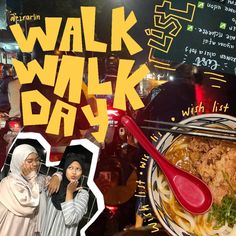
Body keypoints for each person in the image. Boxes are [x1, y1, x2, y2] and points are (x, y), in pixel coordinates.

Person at [0, 144, 46, 235]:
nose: (35, 164)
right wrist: (32, 178)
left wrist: (58, 176)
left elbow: (48, 180)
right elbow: (29, 206)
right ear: (19, 162)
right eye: (29, 161)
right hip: (11, 228)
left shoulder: (38, 180)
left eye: (37, 160)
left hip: (27, 229)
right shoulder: (10, 183)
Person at [42, 152, 89, 236]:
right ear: (65, 169)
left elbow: (70, 219)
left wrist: (69, 192)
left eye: (78, 169)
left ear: (82, 173)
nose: (74, 172)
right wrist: (57, 175)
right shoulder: (55, 184)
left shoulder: (82, 194)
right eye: (70, 168)